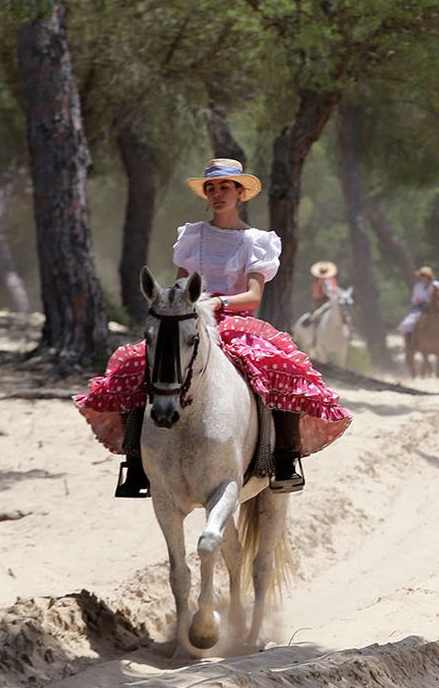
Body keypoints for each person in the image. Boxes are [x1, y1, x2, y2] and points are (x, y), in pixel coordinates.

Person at [75, 158, 352, 496]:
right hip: (190, 319)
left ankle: (283, 459)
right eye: (211, 188)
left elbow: (253, 296)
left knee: (278, 367)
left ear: (240, 193)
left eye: (224, 187)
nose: (217, 194)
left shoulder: (255, 241)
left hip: (233, 321)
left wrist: (219, 303)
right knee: (137, 365)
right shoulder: (193, 236)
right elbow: (180, 286)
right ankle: (136, 462)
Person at [398, 266, 439, 338]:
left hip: (434, 309)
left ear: (430, 276)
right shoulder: (418, 286)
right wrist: (418, 301)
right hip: (420, 308)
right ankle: (410, 342)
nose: (423, 278)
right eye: (422, 276)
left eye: (425, 276)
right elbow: (414, 300)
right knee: (407, 324)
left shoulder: (436, 285)